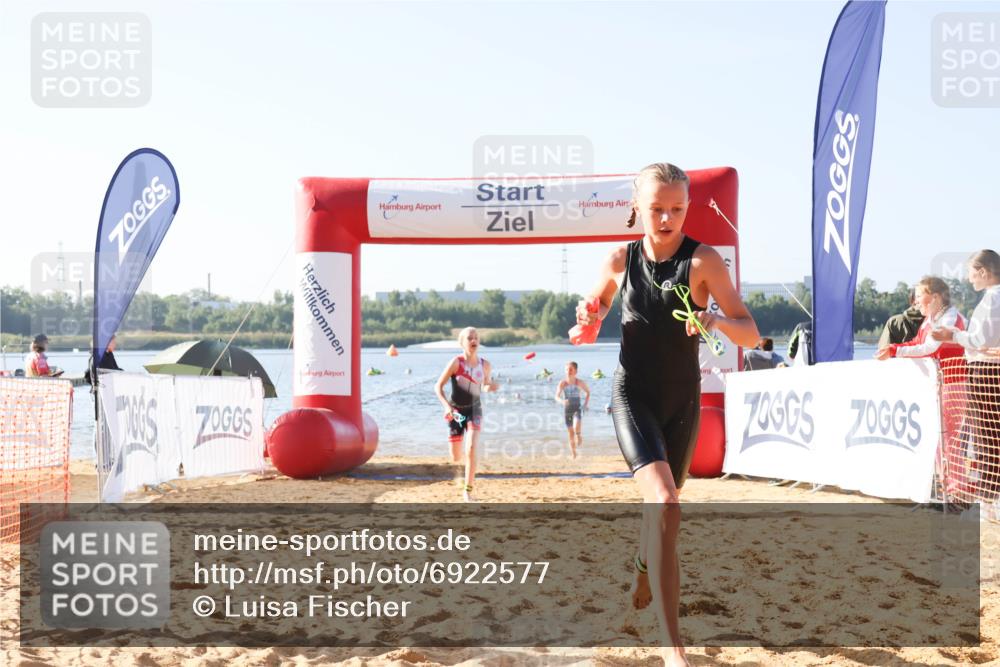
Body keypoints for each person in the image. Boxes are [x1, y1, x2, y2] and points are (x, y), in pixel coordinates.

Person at [575, 162, 759, 666]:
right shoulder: (619, 259)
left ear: (687, 208)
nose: (666, 218)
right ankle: (672, 646)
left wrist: (716, 318)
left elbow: (752, 333)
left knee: (666, 510)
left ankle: (642, 563)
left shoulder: (704, 263)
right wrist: (586, 322)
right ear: (637, 207)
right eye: (656, 209)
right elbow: (594, 312)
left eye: (676, 209)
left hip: (683, 401)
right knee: (666, 503)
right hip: (632, 393)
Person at [876, 277, 968, 497]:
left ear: (934, 297)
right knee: (939, 439)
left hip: (953, 385)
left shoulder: (950, 318)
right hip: (938, 386)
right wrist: (893, 347)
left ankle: (957, 491)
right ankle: (947, 488)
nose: (916, 301)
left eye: (920, 296)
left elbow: (929, 347)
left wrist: (896, 350)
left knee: (949, 440)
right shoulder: (930, 321)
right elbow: (917, 344)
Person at [932, 250, 1000, 504]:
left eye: (972, 273)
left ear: (983, 272)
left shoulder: (992, 300)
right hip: (989, 369)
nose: (970, 279)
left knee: (985, 434)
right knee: (989, 433)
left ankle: (990, 496)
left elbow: (982, 340)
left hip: (985, 372)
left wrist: (954, 335)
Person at [434, 327, 499, 502]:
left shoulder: (485, 365)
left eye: (476, 337)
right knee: (456, 456)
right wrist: (446, 407)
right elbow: (438, 387)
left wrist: (490, 387)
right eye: (469, 338)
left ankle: (468, 490)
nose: (473, 340)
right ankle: (460, 465)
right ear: (462, 343)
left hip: (474, 410)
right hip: (456, 412)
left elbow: (485, 385)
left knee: (471, 448)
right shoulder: (456, 363)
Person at [554, 361, 591, 459]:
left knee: (575, 427)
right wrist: (562, 401)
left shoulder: (579, 382)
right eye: (567, 369)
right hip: (567, 410)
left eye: (571, 369)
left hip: (577, 408)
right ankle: (574, 453)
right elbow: (556, 396)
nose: (568, 371)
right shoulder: (563, 383)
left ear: (576, 371)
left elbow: (588, 393)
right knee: (570, 434)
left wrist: (585, 404)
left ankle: (578, 435)